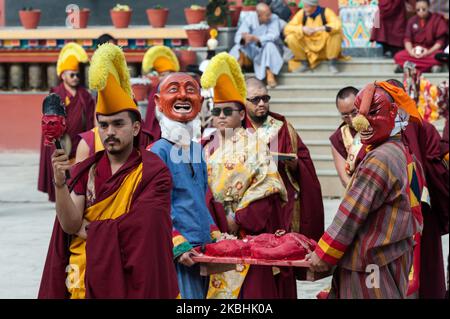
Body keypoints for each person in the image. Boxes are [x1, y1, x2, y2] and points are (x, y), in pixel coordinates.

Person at [38, 43, 179, 299]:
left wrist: (93, 230)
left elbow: (146, 227)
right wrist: (60, 184)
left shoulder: (153, 170)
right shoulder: (88, 170)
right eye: (103, 125)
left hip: (130, 280)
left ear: (136, 128)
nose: (110, 132)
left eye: (118, 124)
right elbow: (70, 225)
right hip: (82, 274)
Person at [329, 80, 449, 298]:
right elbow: (437, 163)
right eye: (345, 115)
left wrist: (324, 256)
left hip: (387, 215)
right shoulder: (403, 131)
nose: (354, 120)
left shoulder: (378, 143)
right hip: (407, 210)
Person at [308, 81, 426, 299]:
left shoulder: (380, 159)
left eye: (371, 112)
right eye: (358, 114)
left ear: (392, 113)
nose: (360, 122)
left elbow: (351, 213)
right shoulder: (402, 150)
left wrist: (323, 254)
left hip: (370, 261)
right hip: (393, 255)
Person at [201, 52, 289, 299]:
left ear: (242, 114)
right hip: (212, 231)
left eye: (227, 111)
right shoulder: (205, 146)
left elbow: (268, 185)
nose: (220, 117)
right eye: (216, 111)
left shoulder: (256, 145)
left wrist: (236, 220)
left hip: (245, 233)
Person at [147, 72, 220, 299]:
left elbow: (199, 198)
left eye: (190, 90)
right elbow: (154, 210)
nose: (183, 96)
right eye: (173, 89)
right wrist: (176, 244)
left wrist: (215, 234)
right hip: (179, 255)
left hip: (203, 252)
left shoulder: (197, 149)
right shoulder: (157, 152)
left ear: (200, 100)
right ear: (158, 102)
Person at [38, 42, 95, 202]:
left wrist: (89, 139)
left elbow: (90, 118)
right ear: (63, 75)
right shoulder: (56, 94)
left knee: (78, 174)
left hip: (79, 141)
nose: (76, 78)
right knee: (61, 170)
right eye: (72, 75)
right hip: (62, 141)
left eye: (77, 75)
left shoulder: (84, 95)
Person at [229, 2, 286, 88]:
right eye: (267, 15)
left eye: (269, 13)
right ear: (259, 15)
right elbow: (238, 36)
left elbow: (274, 35)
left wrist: (257, 38)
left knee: (269, 45)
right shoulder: (250, 18)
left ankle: (270, 74)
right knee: (238, 46)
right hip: (253, 50)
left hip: (271, 49)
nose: (269, 16)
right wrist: (245, 38)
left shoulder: (274, 18)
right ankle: (233, 74)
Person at [284, 0, 344, 74]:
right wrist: (302, 29)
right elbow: (287, 28)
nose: (304, 9)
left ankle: (332, 63)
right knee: (290, 38)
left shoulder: (326, 12)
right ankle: (304, 63)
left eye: (306, 7)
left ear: (314, 6)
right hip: (308, 47)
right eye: (304, 7)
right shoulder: (302, 13)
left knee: (336, 35)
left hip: (325, 47)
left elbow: (337, 25)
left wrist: (322, 28)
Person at [394, 0, 449, 73]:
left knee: (439, 57)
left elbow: (440, 42)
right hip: (415, 52)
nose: (421, 12)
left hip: (431, 51)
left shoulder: (437, 19)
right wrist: (411, 52)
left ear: (429, 7)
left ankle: (409, 66)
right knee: (398, 56)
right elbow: (407, 39)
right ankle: (430, 67)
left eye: (424, 9)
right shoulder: (412, 20)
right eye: (418, 10)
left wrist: (428, 52)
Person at [141, 45, 181, 142]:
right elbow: (151, 119)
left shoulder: (180, 89)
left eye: (168, 74)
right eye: (161, 75)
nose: (163, 78)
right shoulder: (156, 90)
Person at [329, 86, 361, 188]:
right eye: (345, 116)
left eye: (354, 112)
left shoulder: (376, 125)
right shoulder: (339, 137)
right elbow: (344, 179)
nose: (351, 119)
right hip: (358, 192)